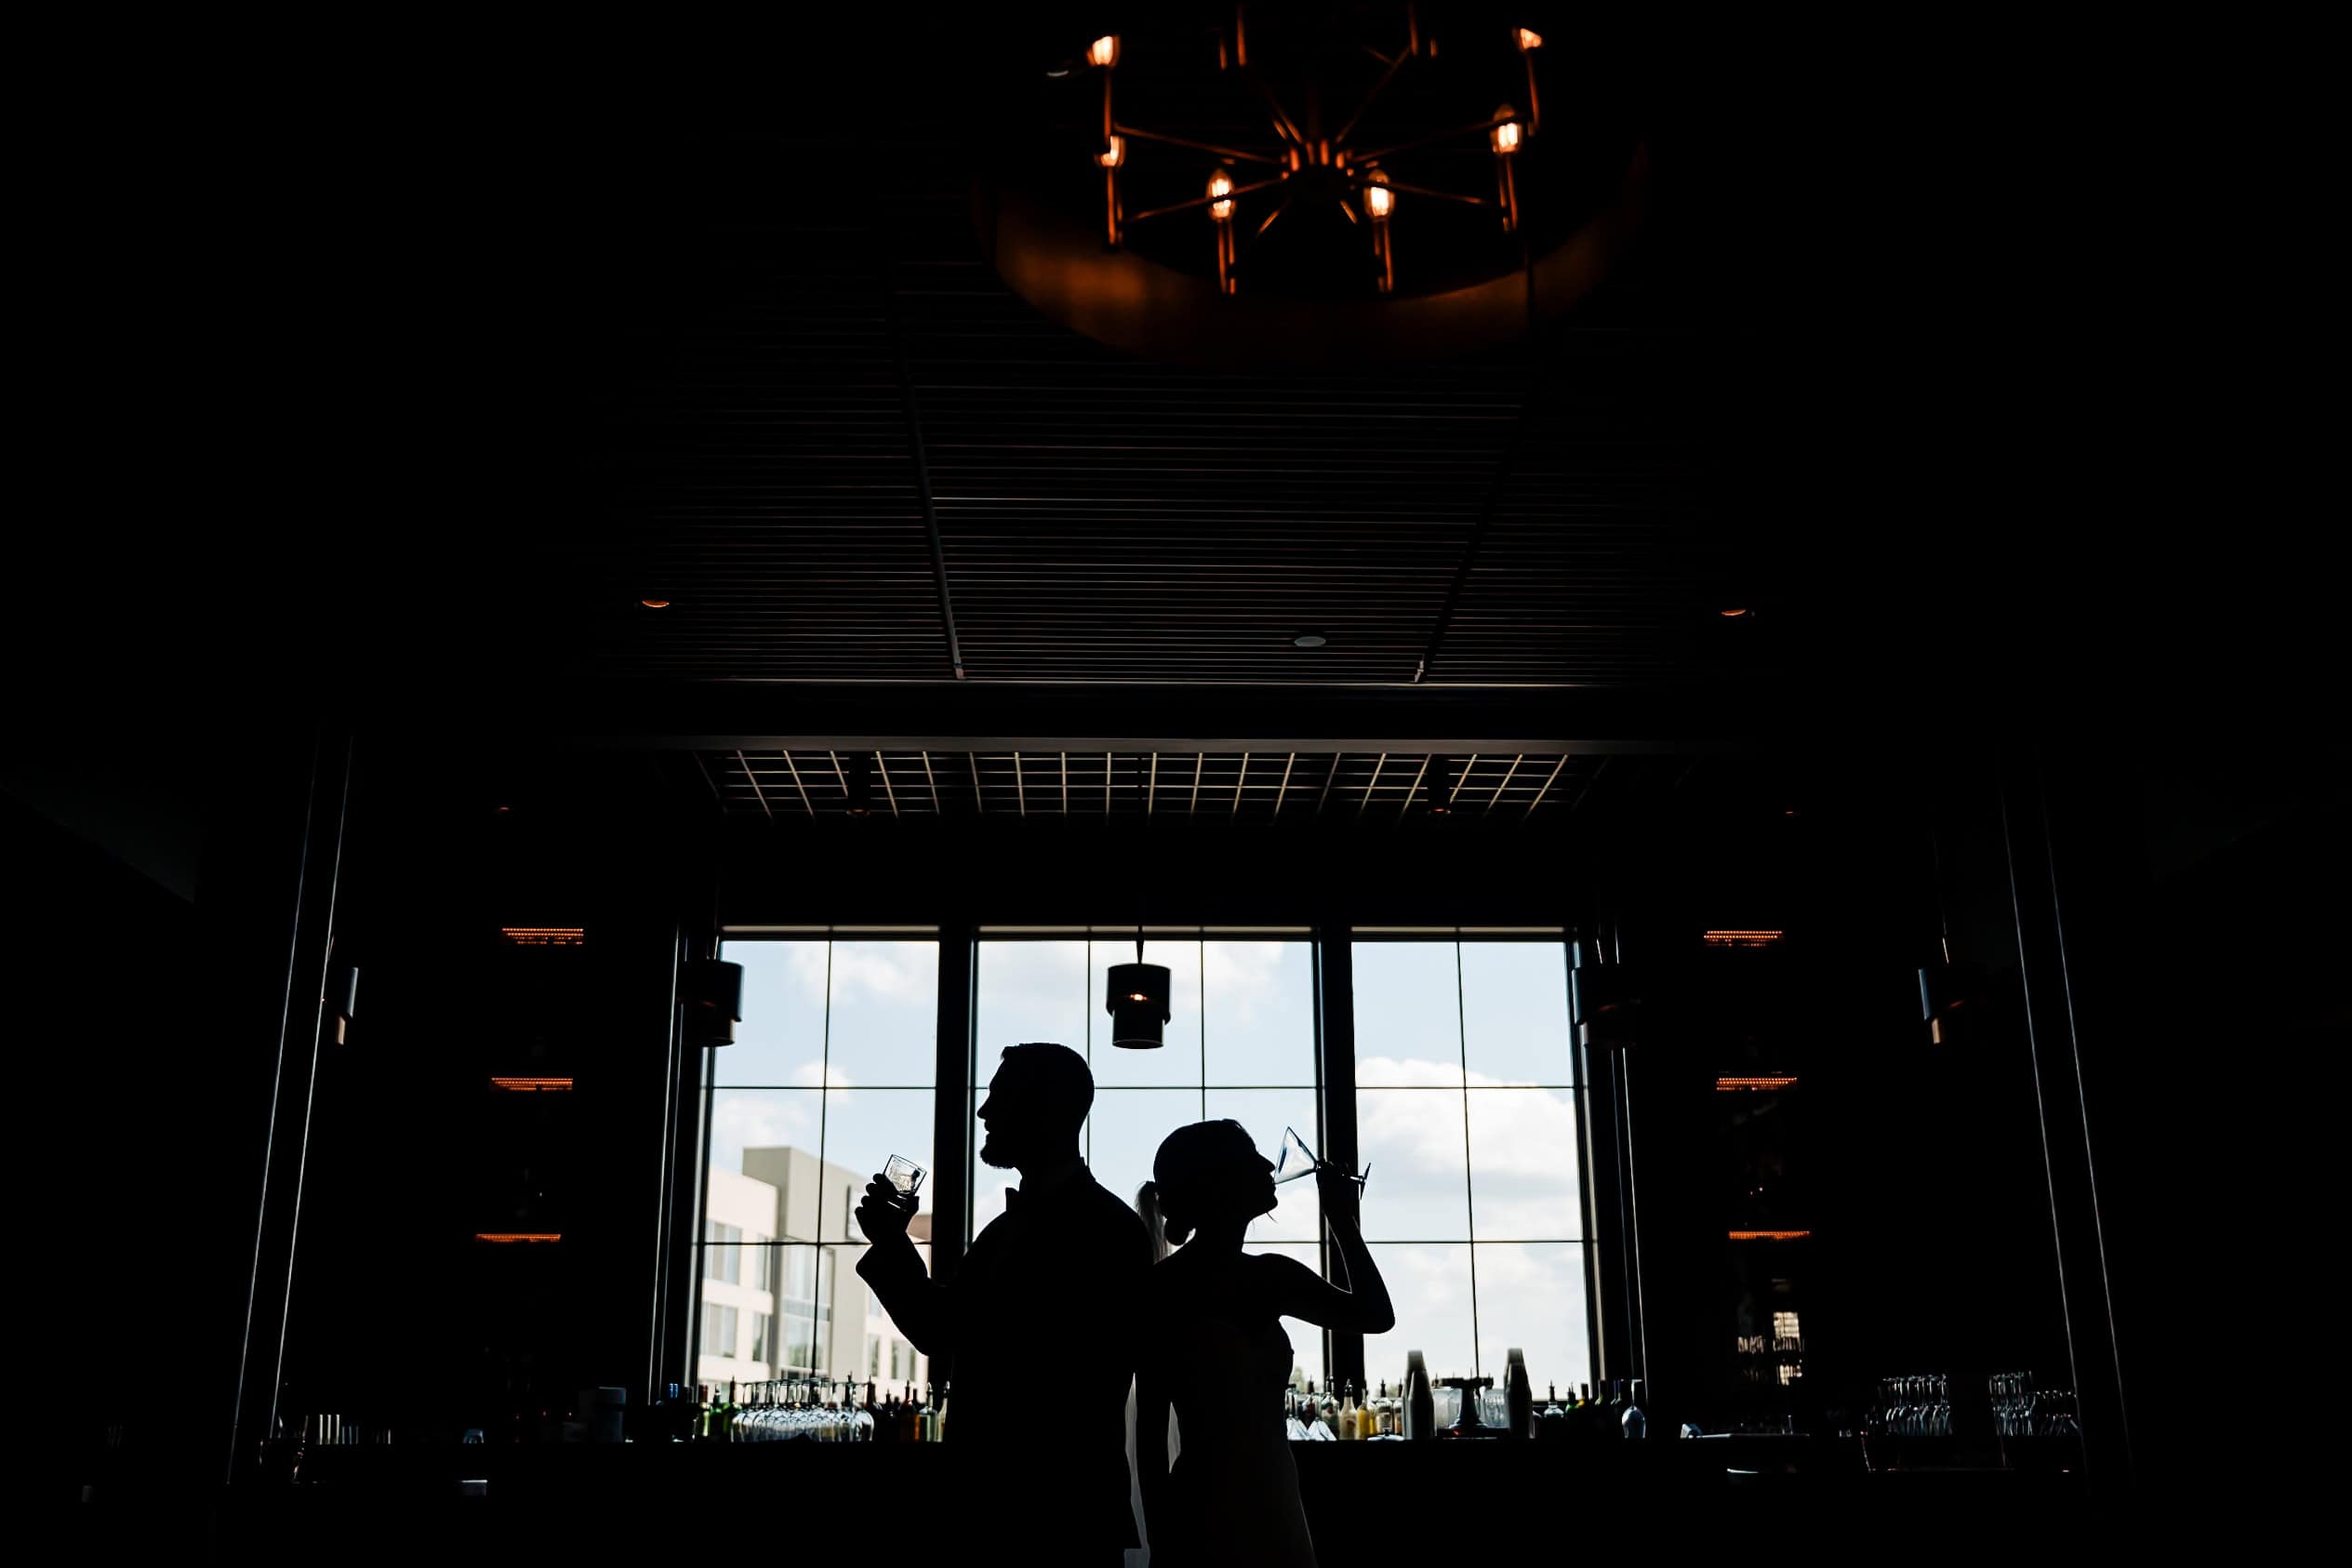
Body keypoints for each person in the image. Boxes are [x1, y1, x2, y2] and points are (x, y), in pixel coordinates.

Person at [854, 1043, 1151, 1567]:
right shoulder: (1095, 1226)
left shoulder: (1092, 1230)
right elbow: (945, 1327)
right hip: (1049, 1508)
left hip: (1045, 1511)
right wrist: (891, 1242)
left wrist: (892, 1243)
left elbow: (942, 1328)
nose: (983, 1112)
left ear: (1046, 1111)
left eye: (1000, 1097)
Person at [1134, 1122, 1395, 1568]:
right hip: (1203, 1510)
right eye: (1249, 1155)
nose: (1267, 1165)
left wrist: (1342, 1220)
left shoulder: (1272, 1275)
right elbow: (1150, 1433)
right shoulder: (1163, 1290)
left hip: (1277, 1500)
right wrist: (1162, 1538)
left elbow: (1376, 1317)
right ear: (1216, 1181)